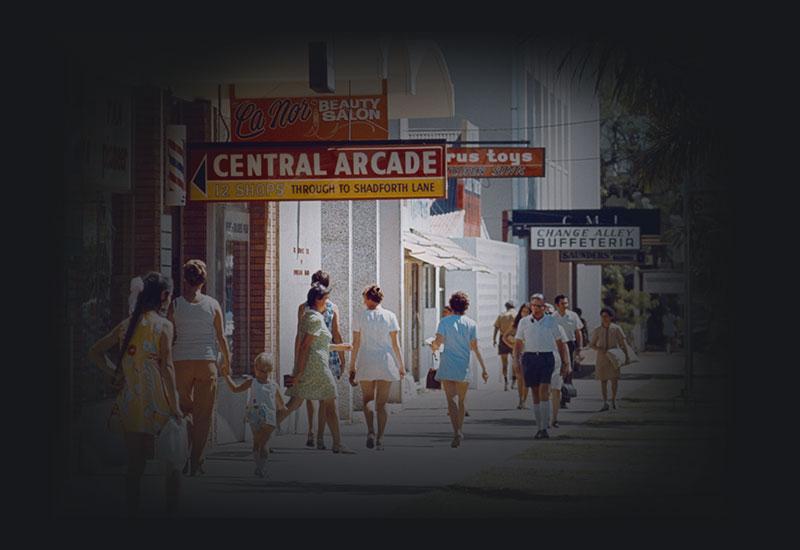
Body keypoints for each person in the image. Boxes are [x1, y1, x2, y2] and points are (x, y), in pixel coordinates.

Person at [88, 272, 183, 516]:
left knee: (135, 465)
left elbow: (95, 352)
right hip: (159, 401)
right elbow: (167, 367)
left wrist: (114, 374)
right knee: (172, 463)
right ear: (164, 296)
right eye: (170, 296)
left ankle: (133, 512)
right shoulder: (164, 326)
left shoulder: (126, 325)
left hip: (132, 401)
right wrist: (176, 405)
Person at [167, 259, 231, 476]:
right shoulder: (213, 305)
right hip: (206, 362)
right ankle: (196, 462)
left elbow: (169, 335)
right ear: (204, 280)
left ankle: (182, 457)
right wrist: (227, 362)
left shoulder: (174, 305)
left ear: (184, 279)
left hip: (180, 362)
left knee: (184, 412)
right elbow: (221, 337)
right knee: (203, 416)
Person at [278, 284, 355, 454]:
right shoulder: (314, 318)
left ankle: (263, 431)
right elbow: (305, 347)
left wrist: (342, 348)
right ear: (317, 300)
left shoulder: (311, 316)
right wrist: (298, 373)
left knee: (293, 404)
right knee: (330, 402)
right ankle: (338, 443)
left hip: (310, 367)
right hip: (317, 368)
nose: (327, 303)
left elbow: (319, 345)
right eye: (326, 299)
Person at [348, 285, 406, 450]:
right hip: (385, 361)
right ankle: (380, 438)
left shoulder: (360, 316)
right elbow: (395, 344)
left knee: (367, 399)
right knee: (382, 403)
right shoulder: (390, 316)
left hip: (366, 360)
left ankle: (371, 431)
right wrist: (401, 366)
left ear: (367, 298)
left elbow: (356, 343)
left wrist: (352, 367)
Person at [431, 292, 489, 448]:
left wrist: (433, 346)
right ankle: (460, 429)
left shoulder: (444, 322)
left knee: (451, 400)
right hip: (463, 365)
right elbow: (475, 347)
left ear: (451, 305)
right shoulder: (471, 324)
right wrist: (484, 368)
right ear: (466, 307)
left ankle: (455, 431)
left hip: (447, 363)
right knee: (462, 401)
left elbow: (438, 342)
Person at [295, 270, 345, 450]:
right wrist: (342, 357)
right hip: (327, 353)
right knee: (327, 398)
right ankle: (322, 436)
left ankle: (311, 431)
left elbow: (300, 337)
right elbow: (336, 333)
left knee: (309, 396)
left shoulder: (303, 307)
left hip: (310, 354)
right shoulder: (333, 306)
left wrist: (296, 361)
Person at [512, 294, 569, 440]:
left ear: (544, 307)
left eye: (539, 306)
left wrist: (565, 362)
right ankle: (539, 427)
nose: (536, 309)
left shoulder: (551, 321)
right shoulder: (524, 322)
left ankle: (545, 427)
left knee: (545, 390)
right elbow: (518, 343)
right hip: (530, 358)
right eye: (533, 305)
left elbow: (560, 343)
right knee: (535, 393)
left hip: (546, 357)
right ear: (530, 306)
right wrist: (516, 361)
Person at [223, 352, 286, 477]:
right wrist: (279, 416)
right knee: (264, 443)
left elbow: (235, 389)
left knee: (256, 442)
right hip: (269, 417)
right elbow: (282, 405)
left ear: (255, 368)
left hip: (254, 415)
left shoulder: (251, 382)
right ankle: (261, 467)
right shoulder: (274, 385)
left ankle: (258, 466)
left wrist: (226, 376)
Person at [589, 307, 631, 411]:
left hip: (614, 356)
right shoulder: (598, 329)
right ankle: (605, 402)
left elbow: (623, 343)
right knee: (603, 380)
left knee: (614, 379)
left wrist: (627, 355)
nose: (604, 318)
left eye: (606, 316)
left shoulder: (616, 329)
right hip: (602, 357)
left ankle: (614, 400)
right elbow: (592, 344)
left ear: (611, 317)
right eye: (602, 316)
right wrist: (599, 348)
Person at [552, 295, 584, 408]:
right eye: (562, 303)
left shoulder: (573, 316)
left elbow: (578, 332)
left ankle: (565, 398)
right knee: (556, 370)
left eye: (566, 303)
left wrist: (579, 348)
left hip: (570, 345)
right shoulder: (552, 317)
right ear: (557, 305)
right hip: (556, 345)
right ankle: (556, 395)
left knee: (568, 371)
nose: (565, 306)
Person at [493, 301, 517, 391]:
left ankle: (506, 381)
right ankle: (514, 382)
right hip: (513, 339)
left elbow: (496, 327)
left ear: (506, 307)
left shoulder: (501, 315)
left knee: (504, 362)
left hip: (503, 339)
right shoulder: (516, 315)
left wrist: (494, 339)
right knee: (515, 361)